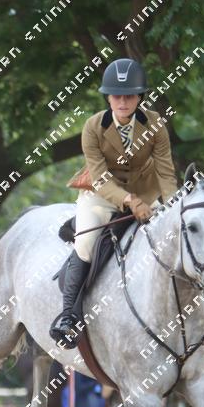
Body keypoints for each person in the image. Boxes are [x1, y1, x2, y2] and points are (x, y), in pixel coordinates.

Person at [50, 58, 179, 346]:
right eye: (117, 96)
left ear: (139, 97)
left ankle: (202, 315)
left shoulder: (155, 124)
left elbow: (165, 172)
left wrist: (173, 206)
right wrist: (130, 201)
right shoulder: (93, 127)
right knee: (86, 242)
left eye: (129, 96)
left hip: (146, 194)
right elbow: (99, 177)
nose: (122, 101)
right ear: (108, 97)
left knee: (178, 235)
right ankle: (68, 315)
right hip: (101, 195)